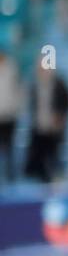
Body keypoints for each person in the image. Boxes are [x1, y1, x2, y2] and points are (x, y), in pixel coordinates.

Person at [25, 63, 68, 182]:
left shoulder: (59, 84)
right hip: (39, 128)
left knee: (54, 158)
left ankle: (55, 179)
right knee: (39, 160)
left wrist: (60, 117)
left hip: (54, 129)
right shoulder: (35, 86)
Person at [0, 48, 21, 182]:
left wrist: (15, 109)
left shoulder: (11, 67)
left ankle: (11, 177)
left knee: (9, 148)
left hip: (9, 115)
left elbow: (17, 90)